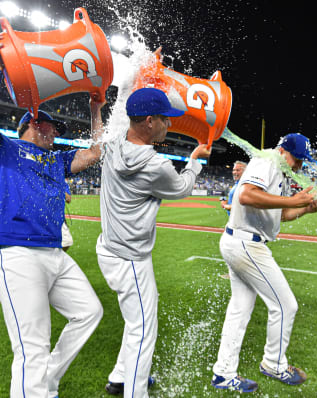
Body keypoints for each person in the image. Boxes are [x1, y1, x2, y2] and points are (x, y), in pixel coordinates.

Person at [0, 32, 106, 398]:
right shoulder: (2, 148)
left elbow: (95, 153)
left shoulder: (57, 160)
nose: (55, 133)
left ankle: (47, 382)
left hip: (54, 253)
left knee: (89, 312)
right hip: (16, 253)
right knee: (31, 348)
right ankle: (37, 386)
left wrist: (95, 108)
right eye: (49, 127)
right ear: (32, 123)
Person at [95, 87, 211, 397]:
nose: (168, 125)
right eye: (164, 119)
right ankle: (134, 392)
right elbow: (184, 187)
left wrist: (148, 70)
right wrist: (195, 160)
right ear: (148, 121)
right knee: (144, 329)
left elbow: (114, 119)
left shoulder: (113, 143)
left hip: (109, 248)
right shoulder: (155, 165)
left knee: (138, 319)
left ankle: (121, 376)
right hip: (132, 257)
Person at [211, 133, 317, 392]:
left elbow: (280, 213)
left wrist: (304, 209)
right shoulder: (267, 160)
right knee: (285, 305)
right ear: (284, 151)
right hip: (247, 244)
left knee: (238, 312)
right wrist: (294, 200)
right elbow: (246, 195)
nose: (299, 166)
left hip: (239, 241)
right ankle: (274, 364)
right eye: (297, 159)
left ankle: (223, 373)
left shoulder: (278, 169)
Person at [62, 184, 73, 252]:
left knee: (67, 242)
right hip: (43, 216)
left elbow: (68, 199)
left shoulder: (62, 183)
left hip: (58, 218)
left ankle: (56, 256)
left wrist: (59, 187)